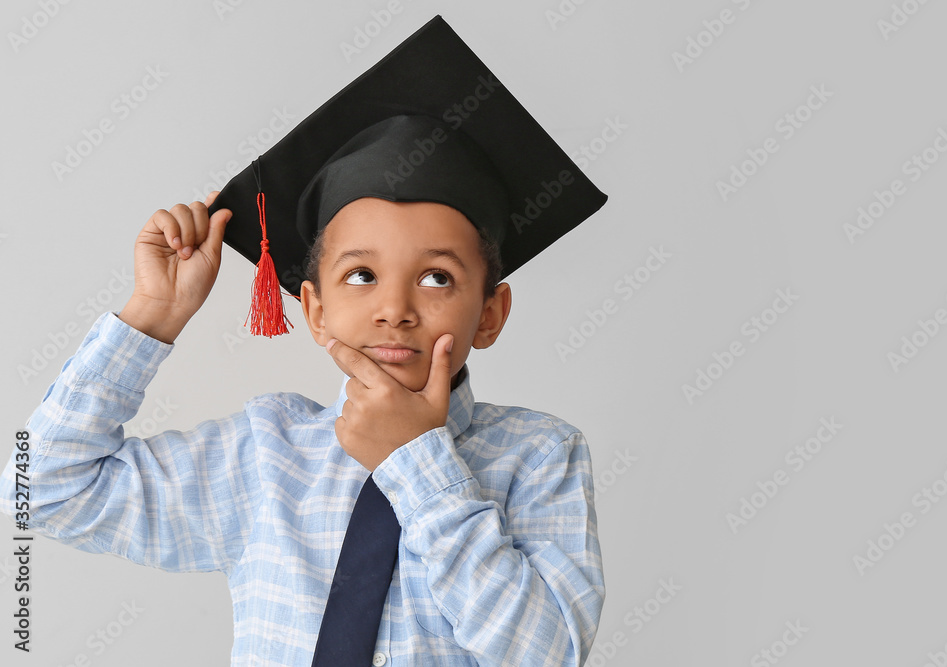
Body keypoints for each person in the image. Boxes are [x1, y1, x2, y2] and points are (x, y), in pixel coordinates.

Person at [0, 15, 608, 666]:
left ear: (489, 313)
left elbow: (548, 654)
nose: (394, 309)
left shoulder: (540, 456)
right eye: (361, 275)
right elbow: (42, 490)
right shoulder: (265, 456)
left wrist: (417, 461)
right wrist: (154, 311)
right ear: (314, 310)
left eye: (437, 277)